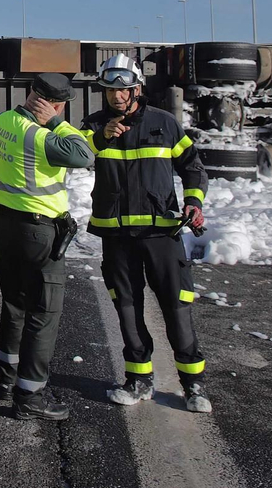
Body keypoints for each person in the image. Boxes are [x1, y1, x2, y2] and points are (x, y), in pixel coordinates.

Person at [82, 53, 213, 414]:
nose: (117, 97)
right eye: (110, 90)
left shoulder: (164, 123)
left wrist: (194, 202)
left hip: (161, 234)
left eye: (123, 90)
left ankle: (193, 385)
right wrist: (99, 138)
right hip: (117, 236)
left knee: (176, 308)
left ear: (137, 88)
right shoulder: (93, 125)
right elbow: (73, 156)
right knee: (127, 309)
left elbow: (193, 167)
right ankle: (139, 379)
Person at [0, 72, 95, 421]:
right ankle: (30, 396)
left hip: (5, 224)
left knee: (14, 304)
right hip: (39, 231)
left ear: (31, 93)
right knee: (43, 313)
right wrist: (56, 122)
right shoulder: (40, 135)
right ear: (56, 104)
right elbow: (84, 155)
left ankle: (7, 379)